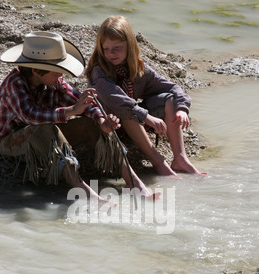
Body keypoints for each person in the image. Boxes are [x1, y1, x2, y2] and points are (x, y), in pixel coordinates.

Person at [0, 30, 158, 202]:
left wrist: (101, 120)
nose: (60, 75)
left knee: (91, 123)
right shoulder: (14, 84)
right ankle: (85, 192)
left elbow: (83, 103)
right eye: (55, 71)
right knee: (46, 130)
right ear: (35, 70)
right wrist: (71, 111)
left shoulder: (54, 81)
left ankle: (133, 182)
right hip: (10, 141)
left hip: (43, 129)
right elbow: (30, 117)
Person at [86, 16, 205, 177]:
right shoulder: (98, 72)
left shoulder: (138, 69)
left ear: (130, 45)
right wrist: (148, 117)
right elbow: (118, 101)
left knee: (169, 99)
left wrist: (182, 108)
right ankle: (158, 162)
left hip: (133, 123)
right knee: (128, 109)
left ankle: (180, 158)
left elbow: (172, 87)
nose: (110, 54)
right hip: (107, 123)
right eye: (106, 49)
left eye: (117, 48)